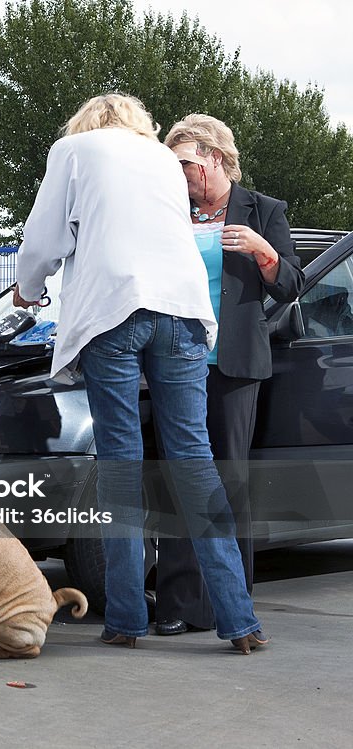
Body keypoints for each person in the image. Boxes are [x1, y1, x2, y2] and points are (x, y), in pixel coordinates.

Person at [12, 93, 269, 653]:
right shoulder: (160, 160)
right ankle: (241, 623)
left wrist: (29, 290)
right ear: (139, 125)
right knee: (195, 461)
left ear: (84, 124)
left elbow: (45, 240)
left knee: (121, 466)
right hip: (181, 311)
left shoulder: (73, 150)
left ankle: (126, 620)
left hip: (114, 312)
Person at [152, 114, 304, 636]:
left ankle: (227, 606)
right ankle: (175, 603)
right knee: (178, 482)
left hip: (234, 366)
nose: (180, 174)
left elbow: (291, 285)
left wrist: (263, 251)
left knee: (228, 484)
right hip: (176, 361)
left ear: (214, 159)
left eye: (185, 163)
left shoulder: (264, 210)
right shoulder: (170, 213)